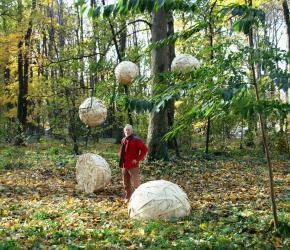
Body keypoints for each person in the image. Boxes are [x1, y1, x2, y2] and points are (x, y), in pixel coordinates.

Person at [119, 124, 148, 201]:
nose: (127, 131)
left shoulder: (136, 140)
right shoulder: (123, 140)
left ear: (132, 131)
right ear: (124, 131)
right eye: (126, 130)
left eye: (129, 130)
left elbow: (145, 150)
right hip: (124, 165)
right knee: (126, 184)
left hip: (133, 165)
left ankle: (140, 199)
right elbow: (122, 152)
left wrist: (137, 159)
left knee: (136, 184)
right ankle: (128, 198)